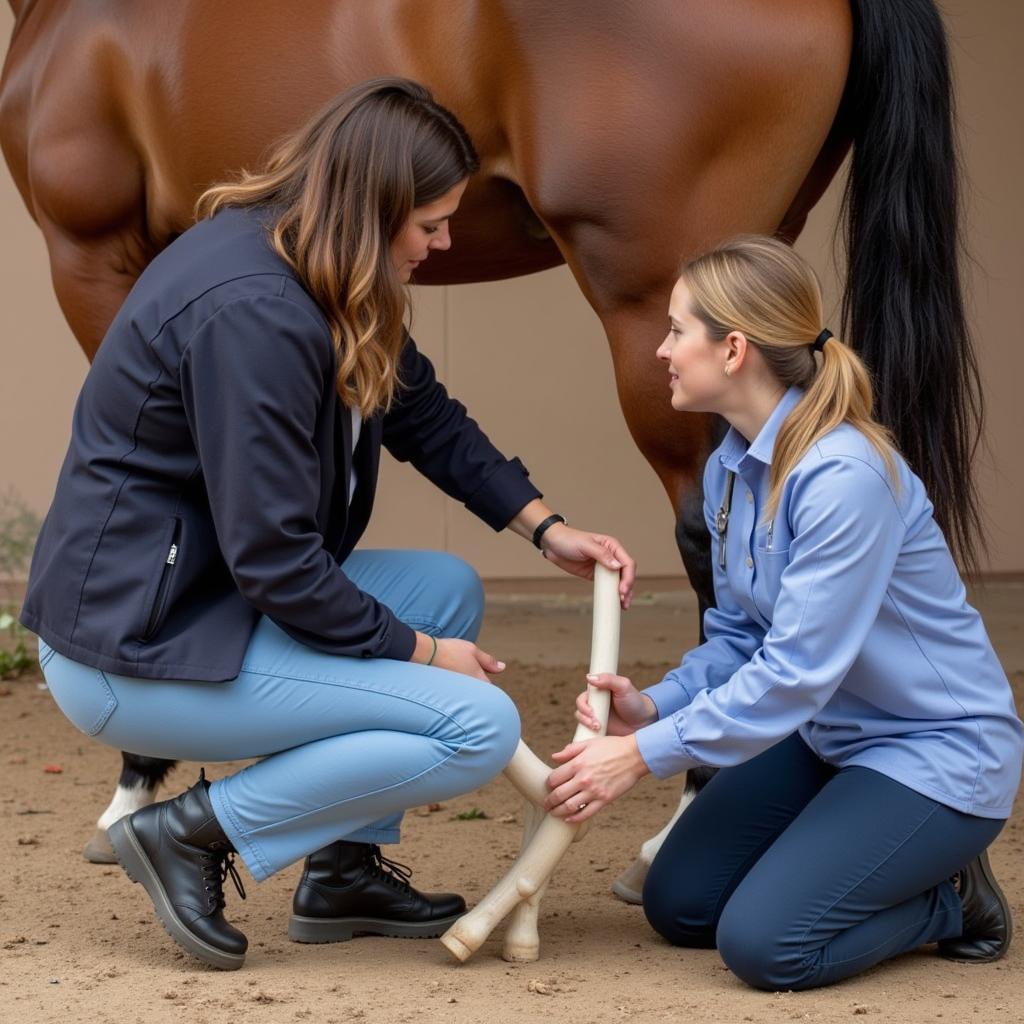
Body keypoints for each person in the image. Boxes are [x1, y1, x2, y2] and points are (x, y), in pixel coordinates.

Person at [21, 78, 636, 972]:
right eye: (431, 223)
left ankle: (342, 873)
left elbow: (421, 412)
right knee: (477, 725)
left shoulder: (322, 264)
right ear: (373, 208)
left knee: (447, 589)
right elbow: (276, 561)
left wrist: (545, 529)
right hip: (129, 650)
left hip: (206, 599)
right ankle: (193, 832)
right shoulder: (253, 314)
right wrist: (423, 654)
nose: (445, 241)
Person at [544, 235, 1022, 991]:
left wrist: (642, 754)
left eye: (676, 330)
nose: (661, 350)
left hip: (933, 754)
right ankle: (846, 856)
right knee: (681, 904)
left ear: (733, 349)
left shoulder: (844, 478)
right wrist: (656, 704)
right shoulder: (732, 463)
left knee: (769, 947)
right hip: (826, 735)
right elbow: (740, 636)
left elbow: (796, 673)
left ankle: (953, 901)